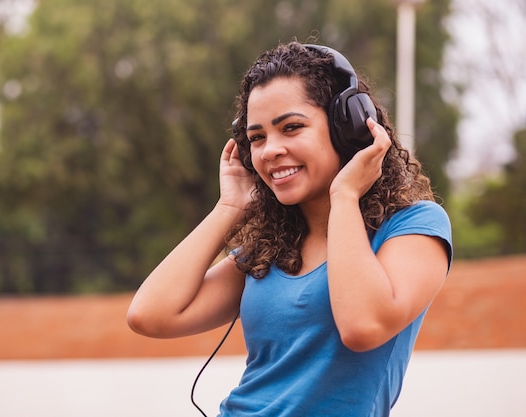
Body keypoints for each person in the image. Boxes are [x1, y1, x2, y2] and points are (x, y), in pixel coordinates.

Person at [127, 40, 452, 417]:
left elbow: (363, 326)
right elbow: (149, 315)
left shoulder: (414, 225)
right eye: (257, 138)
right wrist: (228, 207)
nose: (269, 151)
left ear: (348, 128)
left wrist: (344, 196)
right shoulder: (270, 247)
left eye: (291, 127)